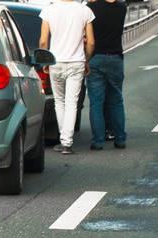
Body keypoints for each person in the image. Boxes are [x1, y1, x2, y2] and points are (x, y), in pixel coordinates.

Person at [39, 0, 95, 155]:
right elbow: (90, 42)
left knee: (59, 101)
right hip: (77, 62)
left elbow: (43, 41)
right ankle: (66, 143)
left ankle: (64, 140)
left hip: (55, 62)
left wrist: (45, 60)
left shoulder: (49, 10)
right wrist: (86, 60)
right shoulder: (84, 11)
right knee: (72, 103)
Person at [87, 0, 127, 150]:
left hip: (96, 58)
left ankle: (98, 141)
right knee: (116, 100)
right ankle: (120, 139)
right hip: (116, 58)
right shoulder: (122, 7)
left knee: (96, 102)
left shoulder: (91, 8)